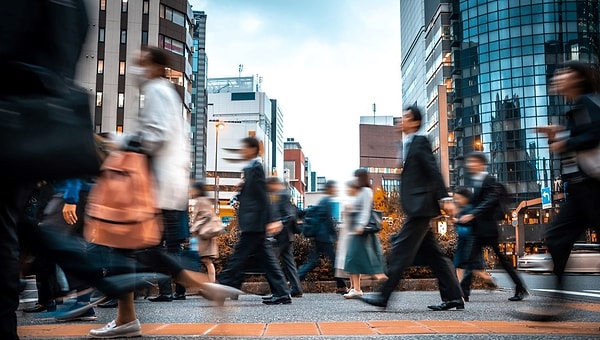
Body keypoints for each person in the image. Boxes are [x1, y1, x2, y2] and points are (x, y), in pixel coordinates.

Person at [88, 46, 240, 338]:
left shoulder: (157, 91)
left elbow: (155, 136)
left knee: (125, 247)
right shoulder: (165, 94)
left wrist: (119, 143)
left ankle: (129, 319)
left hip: (151, 185)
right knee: (138, 250)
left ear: (156, 67)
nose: (136, 68)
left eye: (141, 62)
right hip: (162, 184)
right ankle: (132, 317)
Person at [361, 106, 464, 311]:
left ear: (415, 122)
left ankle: (383, 296)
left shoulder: (420, 141)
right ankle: (454, 297)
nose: (402, 120)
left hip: (421, 207)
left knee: (401, 251)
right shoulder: (406, 144)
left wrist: (444, 197)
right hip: (417, 207)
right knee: (435, 256)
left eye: (407, 117)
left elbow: (433, 170)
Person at [531, 62, 600, 318]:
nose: (558, 77)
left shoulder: (588, 102)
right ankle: (556, 303)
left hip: (593, 187)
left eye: (564, 73)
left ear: (578, 78)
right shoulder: (578, 108)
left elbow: (594, 134)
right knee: (557, 237)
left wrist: (565, 140)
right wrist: (561, 134)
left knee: (557, 237)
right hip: (580, 190)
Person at [217, 137, 292, 305]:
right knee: (266, 260)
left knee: (239, 256)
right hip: (255, 222)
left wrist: (273, 219)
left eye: (244, 148)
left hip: (255, 222)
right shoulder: (252, 168)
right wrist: (244, 187)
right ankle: (282, 292)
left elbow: (263, 196)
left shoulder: (256, 168)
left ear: (251, 149)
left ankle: (222, 287)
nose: (242, 151)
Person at [458, 152, 527, 302]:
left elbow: (489, 201)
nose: (470, 165)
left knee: (501, 260)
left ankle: (520, 288)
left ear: (483, 164)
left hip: (488, 229)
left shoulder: (489, 180)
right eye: (470, 162)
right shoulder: (477, 181)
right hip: (479, 229)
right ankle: (464, 292)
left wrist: (472, 214)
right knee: (469, 260)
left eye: (474, 162)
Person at [297, 180, 348, 294]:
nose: (336, 190)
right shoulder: (327, 201)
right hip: (325, 238)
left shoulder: (323, 201)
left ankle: (296, 279)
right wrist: (335, 236)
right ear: (330, 189)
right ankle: (341, 286)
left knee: (313, 261)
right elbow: (329, 221)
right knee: (334, 262)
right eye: (334, 188)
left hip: (319, 236)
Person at [343, 171, 386, 299]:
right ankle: (357, 288)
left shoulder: (366, 191)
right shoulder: (362, 191)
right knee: (353, 259)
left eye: (356, 177)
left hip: (360, 230)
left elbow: (366, 210)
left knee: (353, 258)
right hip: (356, 230)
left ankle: (374, 280)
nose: (354, 179)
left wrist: (361, 225)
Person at [451, 187, 497, 302]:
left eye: (459, 198)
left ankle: (486, 279)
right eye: (455, 199)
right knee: (460, 265)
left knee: (472, 266)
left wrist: (458, 221)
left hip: (471, 240)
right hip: (462, 240)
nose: (457, 201)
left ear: (466, 198)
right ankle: (460, 290)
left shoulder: (471, 208)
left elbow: (471, 222)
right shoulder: (460, 209)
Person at [266, 176, 303, 297]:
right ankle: (296, 288)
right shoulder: (283, 194)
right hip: (287, 235)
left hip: (281, 235)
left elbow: (289, 215)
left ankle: (278, 290)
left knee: (271, 262)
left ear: (274, 184)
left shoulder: (281, 195)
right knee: (289, 263)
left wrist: (279, 224)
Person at [189, 181, 219, 283]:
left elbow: (205, 216)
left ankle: (211, 284)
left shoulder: (201, 201)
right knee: (206, 261)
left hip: (203, 236)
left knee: (206, 261)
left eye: (192, 189)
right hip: (205, 235)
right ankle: (211, 283)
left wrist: (194, 228)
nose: (191, 191)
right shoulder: (204, 200)